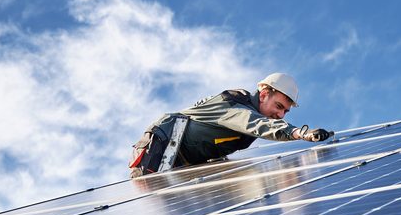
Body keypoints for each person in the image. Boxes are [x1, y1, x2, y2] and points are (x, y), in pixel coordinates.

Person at [129, 72, 334, 178]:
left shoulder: (259, 119)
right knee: (151, 207)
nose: (280, 115)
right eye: (278, 106)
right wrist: (298, 133)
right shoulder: (236, 103)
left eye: (285, 112)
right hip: (162, 146)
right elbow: (253, 122)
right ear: (263, 95)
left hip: (187, 161)